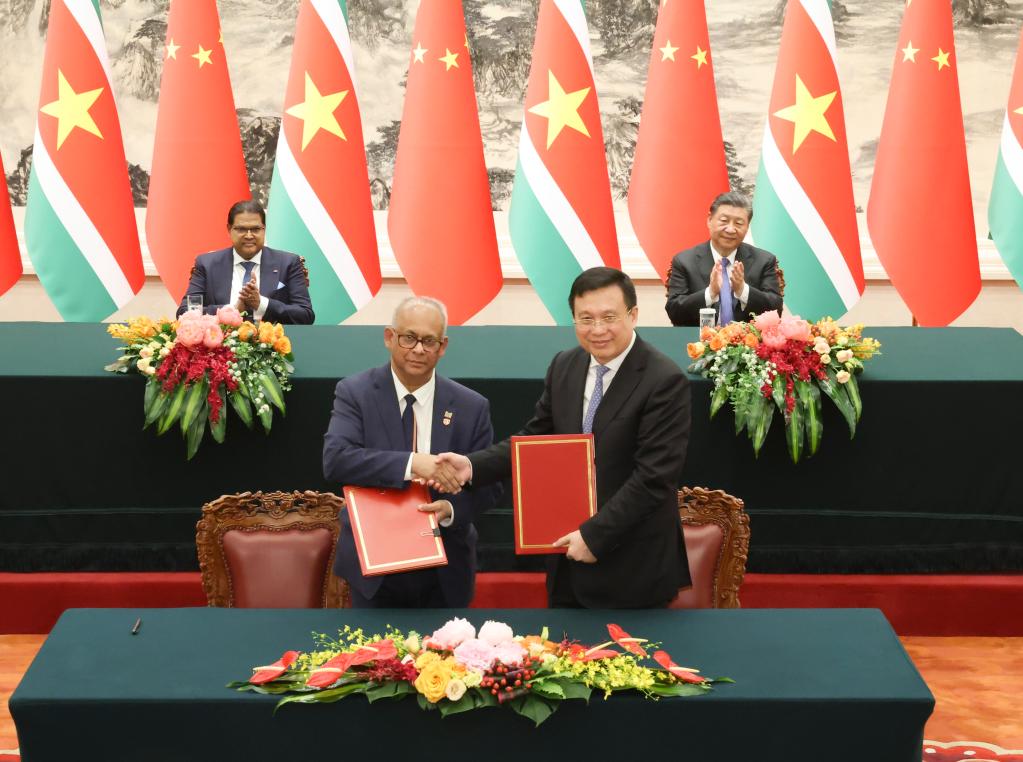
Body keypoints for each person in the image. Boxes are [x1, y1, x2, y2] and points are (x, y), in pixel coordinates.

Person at [434, 268, 691, 609]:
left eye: (609, 317)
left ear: (633, 315)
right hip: (567, 557)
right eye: (585, 318)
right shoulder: (565, 365)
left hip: (633, 565)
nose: (597, 329)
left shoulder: (663, 379)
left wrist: (594, 536)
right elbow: (535, 439)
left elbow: (653, 479)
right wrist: (471, 466)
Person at [322, 296, 500, 608]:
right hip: (375, 568)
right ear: (389, 337)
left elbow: (491, 485)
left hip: (445, 569)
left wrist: (451, 509)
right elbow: (337, 460)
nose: (418, 349)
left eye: (429, 341)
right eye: (409, 338)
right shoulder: (355, 392)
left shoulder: (471, 406)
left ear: (443, 346)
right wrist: (413, 463)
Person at [176, 199, 314, 324]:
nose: (249, 236)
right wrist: (232, 309)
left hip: (274, 341)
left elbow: (305, 315)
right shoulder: (207, 264)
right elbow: (185, 312)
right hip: (222, 342)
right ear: (229, 229)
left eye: (255, 229)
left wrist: (261, 304)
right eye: (241, 229)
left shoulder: (288, 263)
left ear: (264, 229)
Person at [665, 191, 783, 326]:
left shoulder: (764, 260)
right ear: (709, 220)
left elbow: (776, 311)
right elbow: (674, 312)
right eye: (724, 221)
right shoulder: (684, 261)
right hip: (698, 338)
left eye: (739, 223)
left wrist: (743, 290)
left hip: (748, 339)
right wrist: (710, 293)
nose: (730, 229)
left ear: (747, 227)